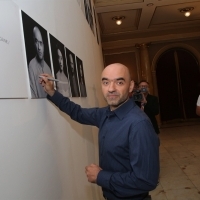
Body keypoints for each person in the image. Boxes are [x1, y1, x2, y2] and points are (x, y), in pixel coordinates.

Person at [39, 63, 159, 200]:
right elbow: (77, 112)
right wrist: (52, 92)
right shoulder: (105, 114)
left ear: (131, 86)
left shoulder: (139, 124)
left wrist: (100, 176)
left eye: (119, 82)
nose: (111, 88)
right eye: (106, 82)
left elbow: (146, 180)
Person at [28, 26, 52, 98]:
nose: (39, 47)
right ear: (33, 43)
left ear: (44, 46)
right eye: (36, 42)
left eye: (41, 43)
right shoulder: (31, 66)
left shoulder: (48, 69)